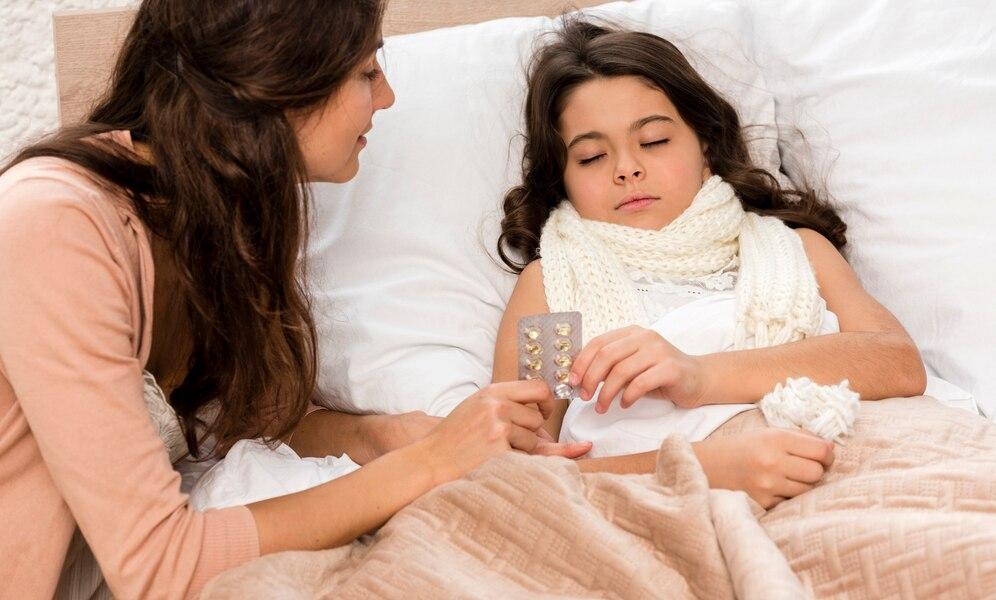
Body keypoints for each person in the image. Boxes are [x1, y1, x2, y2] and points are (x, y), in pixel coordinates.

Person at [0, 1, 587, 597]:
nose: (386, 98)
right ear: (274, 83)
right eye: (366, 73)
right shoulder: (54, 222)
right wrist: (431, 461)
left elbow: (252, 424)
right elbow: (161, 567)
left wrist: (387, 437)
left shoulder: (211, 218)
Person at [493, 20, 927, 508]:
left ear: (706, 145)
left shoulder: (797, 248)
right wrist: (696, 467)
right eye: (592, 157)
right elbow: (522, 467)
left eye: (654, 141)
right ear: (562, 177)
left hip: (878, 460)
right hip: (689, 502)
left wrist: (697, 376)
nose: (627, 168)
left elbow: (899, 363)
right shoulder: (553, 288)